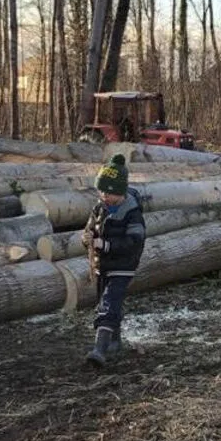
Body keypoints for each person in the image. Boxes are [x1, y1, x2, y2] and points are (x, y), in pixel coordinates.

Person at [81, 154, 146, 366]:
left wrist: (107, 246)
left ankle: (99, 350)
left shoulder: (132, 212)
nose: (104, 196)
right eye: (101, 191)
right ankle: (115, 341)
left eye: (109, 192)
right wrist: (87, 239)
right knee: (106, 301)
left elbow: (135, 241)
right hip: (103, 265)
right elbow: (89, 229)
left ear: (120, 191)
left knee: (108, 304)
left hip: (123, 266)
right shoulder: (99, 208)